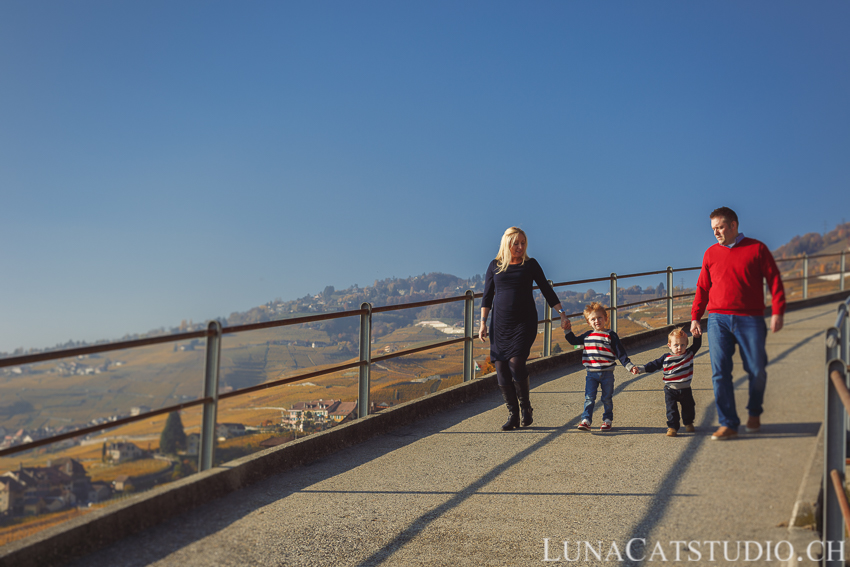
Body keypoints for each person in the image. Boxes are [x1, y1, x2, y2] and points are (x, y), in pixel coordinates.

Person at [691, 206, 786, 441]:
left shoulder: (757, 249)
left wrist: (777, 310)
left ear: (734, 225)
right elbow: (703, 287)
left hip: (750, 318)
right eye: (713, 229)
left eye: (720, 227)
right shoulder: (710, 254)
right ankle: (728, 423)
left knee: (757, 369)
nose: (716, 232)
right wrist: (695, 317)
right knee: (720, 373)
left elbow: (774, 279)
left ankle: (754, 412)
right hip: (717, 320)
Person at [479, 227, 568, 431]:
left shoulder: (531, 264)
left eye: (523, 243)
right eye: (516, 243)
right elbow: (487, 296)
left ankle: (526, 407)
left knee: (516, 362)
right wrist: (483, 322)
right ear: (507, 244)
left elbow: (546, 289)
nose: (520, 247)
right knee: (500, 367)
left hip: (524, 322)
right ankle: (513, 415)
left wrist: (561, 312)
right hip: (500, 323)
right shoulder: (495, 266)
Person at [564, 302, 639, 431]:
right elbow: (573, 341)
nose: (597, 321)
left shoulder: (611, 335)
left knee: (607, 398)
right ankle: (586, 420)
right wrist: (567, 329)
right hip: (591, 374)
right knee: (589, 398)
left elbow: (620, 353)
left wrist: (629, 366)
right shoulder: (587, 335)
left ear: (605, 319)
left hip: (607, 374)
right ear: (588, 322)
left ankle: (607, 420)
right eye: (593, 319)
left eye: (599, 318)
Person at [635, 328, 702, 437]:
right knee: (671, 410)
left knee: (689, 407)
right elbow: (653, 365)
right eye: (676, 345)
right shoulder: (666, 358)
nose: (679, 348)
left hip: (685, 389)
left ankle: (688, 422)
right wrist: (640, 369)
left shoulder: (689, 354)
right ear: (669, 345)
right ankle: (672, 428)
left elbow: (697, 345)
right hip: (670, 389)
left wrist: (697, 337)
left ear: (686, 345)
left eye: (682, 345)